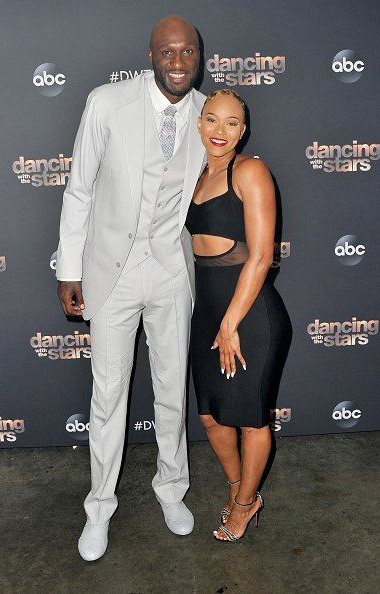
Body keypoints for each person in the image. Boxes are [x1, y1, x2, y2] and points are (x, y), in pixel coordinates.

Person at [56, 15, 206, 561]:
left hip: (170, 271)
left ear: (199, 56)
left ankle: (172, 490)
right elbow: (78, 190)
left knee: (171, 391)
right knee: (107, 395)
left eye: (187, 52)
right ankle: (99, 506)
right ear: (150, 55)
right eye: (167, 52)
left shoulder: (206, 115)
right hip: (111, 273)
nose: (177, 62)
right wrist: (68, 269)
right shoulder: (106, 103)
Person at [185, 89, 292, 542]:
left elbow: (262, 255)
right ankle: (237, 486)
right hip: (207, 312)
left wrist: (230, 324)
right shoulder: (193, 175)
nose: (221, 131)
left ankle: (246, 504)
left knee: (251, 420)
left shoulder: (250, 171)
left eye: (232, 123)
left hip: (249, 316)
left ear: (243, 131)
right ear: (199, 123)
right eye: (212, 120)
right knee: (210, 417)